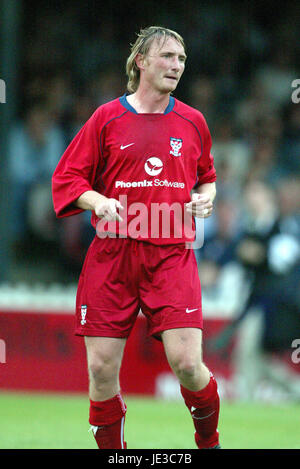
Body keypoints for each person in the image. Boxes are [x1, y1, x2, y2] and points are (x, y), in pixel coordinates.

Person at [52, 26, 220, 450]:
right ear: (141, 62)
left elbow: (208, 180)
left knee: (187, 364)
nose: (176, 66)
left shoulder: (193, 121)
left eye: (181, 59)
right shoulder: (106, 117)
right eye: (167, 56)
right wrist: (98, 202)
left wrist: (205, 199)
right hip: (112, 254)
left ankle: (209, 442)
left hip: (171, 253)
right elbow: (68, 176)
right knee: (103, 369)